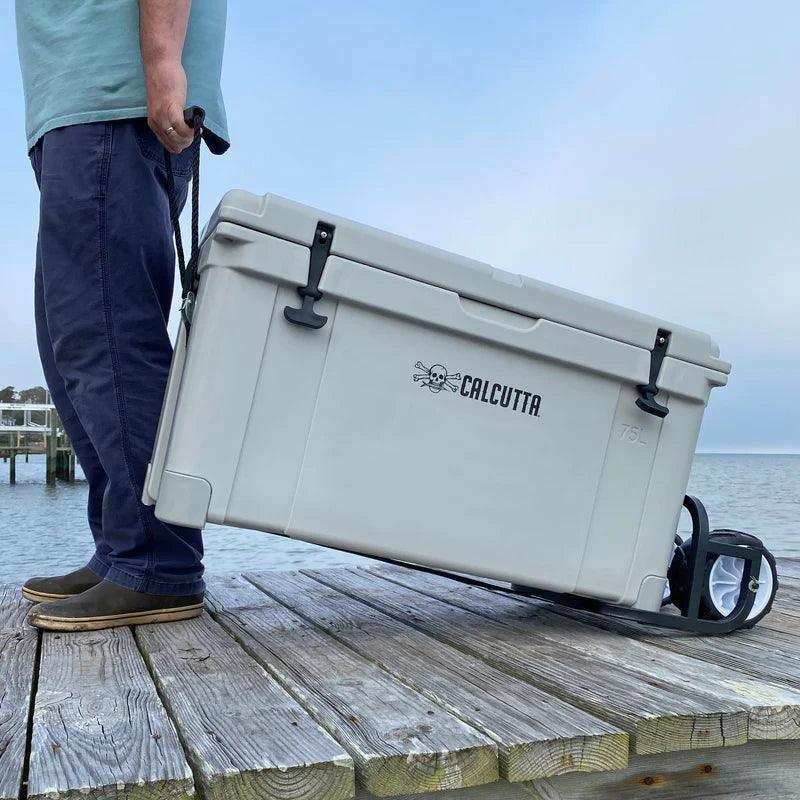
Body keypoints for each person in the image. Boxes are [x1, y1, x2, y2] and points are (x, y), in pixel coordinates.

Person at [15, 0, 228, 631]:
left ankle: (157, 564)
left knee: (106, 329)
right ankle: (122, 548)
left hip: (114, 99)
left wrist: (163, 63)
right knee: (70, 340)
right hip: (84, 106)